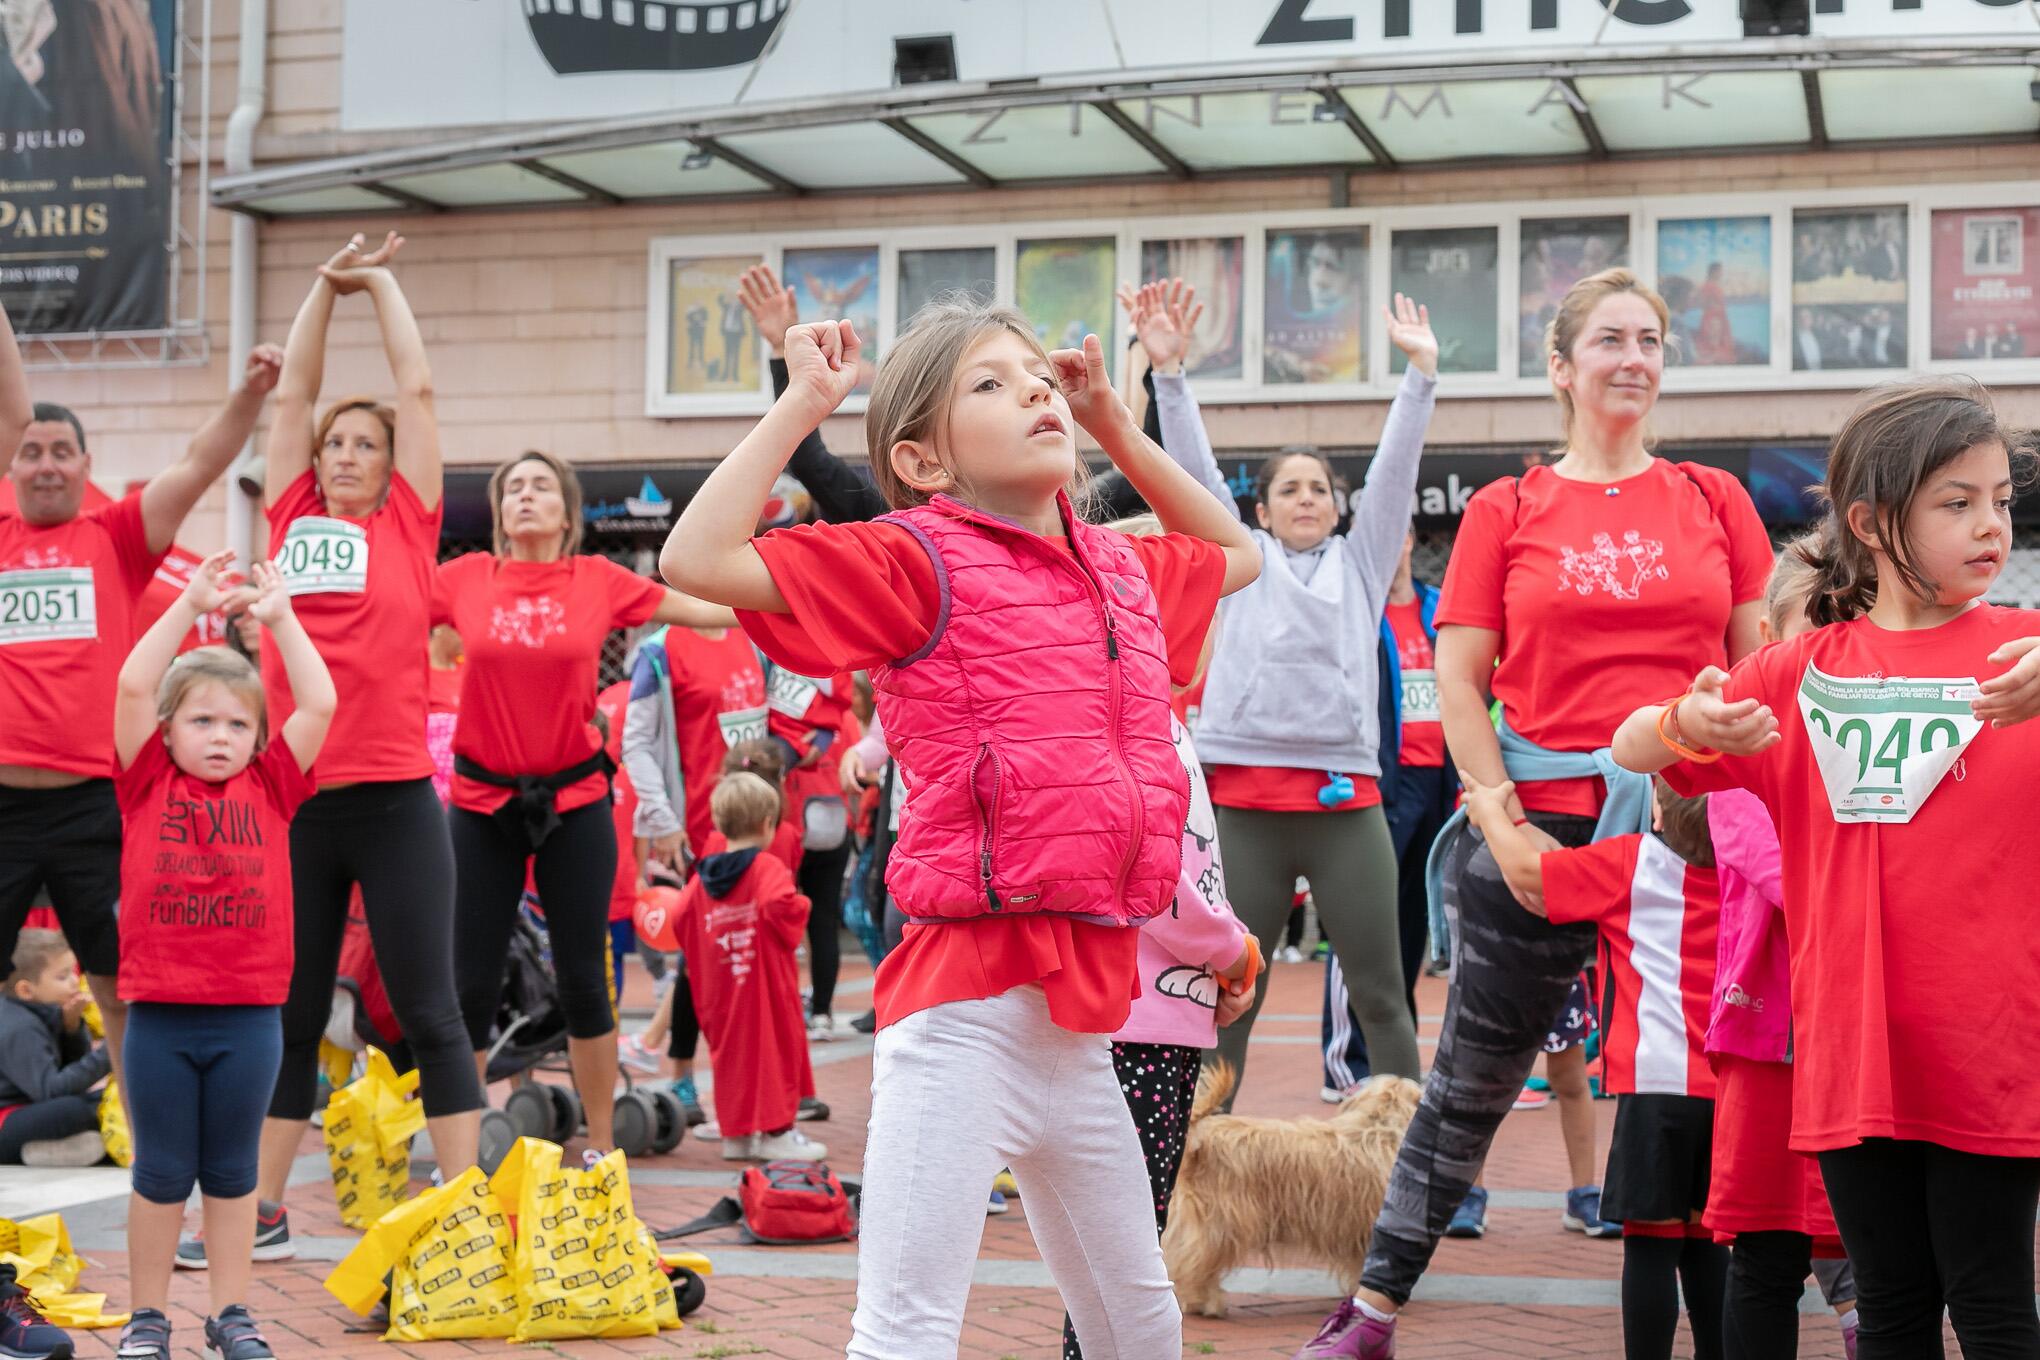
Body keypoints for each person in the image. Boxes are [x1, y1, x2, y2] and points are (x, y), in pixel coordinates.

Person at [660, 300, 1258, 1359]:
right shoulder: (910, 560)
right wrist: (803, 404)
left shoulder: (1121, 568)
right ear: (922, 461)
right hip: (961, 1015)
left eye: (1037, 374)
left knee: (1142, 1327)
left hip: (1083, 1021)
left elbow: (1236, 550)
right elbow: (695, 557)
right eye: (991, 382)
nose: (1034, 388)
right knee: (906, 1334)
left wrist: (1114, 419)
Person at [1296, 267, 1772, 1360]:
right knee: (1466, 1085)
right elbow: (1460, 681)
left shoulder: (1714, 499)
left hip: (1693, 842)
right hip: (1538, 832)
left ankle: (1844, 1305)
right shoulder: (1509, 509)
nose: (1636, 357)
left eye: (1651, 339)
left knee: (1740, 1074)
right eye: (1609, 339)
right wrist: (1497, 818)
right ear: (1561, 369)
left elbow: (1759, 668)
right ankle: (1371, 1312)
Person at [1612, 377, 2040, 1360]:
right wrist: (1687, 721)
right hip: (1850, 1057)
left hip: (1992, 1053)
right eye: (1957, 501)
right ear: (1871, 521)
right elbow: (1630, 744)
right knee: (1888, 1310)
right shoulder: (1800, 672)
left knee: (1996, 1310)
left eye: (2001, 501)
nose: (1990, 525)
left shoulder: (2024, 653)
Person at [222, 232, 484, 1267]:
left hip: (394, 800)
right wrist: (321, 292)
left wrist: (376, 283)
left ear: (388, 465)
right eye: (336, 444)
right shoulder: (289, 510)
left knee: (429, 1006)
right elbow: (291, 399)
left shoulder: (410, 526)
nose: (343, 454)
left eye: (362, 446)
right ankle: (265, 1206)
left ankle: (462, 1206)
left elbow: (416, 393)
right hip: (294, 798)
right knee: (288, 1011)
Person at [1135, 276, 1437, 1099]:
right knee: (1231, 996)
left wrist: (1420, 377)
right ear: (1259, 512)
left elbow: (1396, 468)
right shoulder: (1241, 559)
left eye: (1320, 489)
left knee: (1383, 993)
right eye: (1288, 489)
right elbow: (1191, 472)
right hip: (1244, 804)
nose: (1307, 498)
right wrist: (1169, 376)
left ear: (1341, 510)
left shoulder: (1364, 563)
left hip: (1347, 806)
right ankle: (1192, 1168)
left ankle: (1403, 1172)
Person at [0, 307, 281, 1115]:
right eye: (31, 452)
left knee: (120, 983)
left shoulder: (116, 535)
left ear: (87, 463)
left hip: (97, 801)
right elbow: (9, 407)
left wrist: (250, 395)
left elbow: (199, 462)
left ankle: (142, 1139)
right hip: (3, 804)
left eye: (62, 451)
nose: (46, 464)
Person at [435, 449, 732, 1152]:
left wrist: (798, 596)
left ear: (568, 512)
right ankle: (465, 1147)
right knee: (471, 984)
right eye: (514, 487)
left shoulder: (597, 580)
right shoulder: (464, 578)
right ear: (501, 511)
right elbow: (377, 613)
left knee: (585, 981)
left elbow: (706, 606)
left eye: (541, 486)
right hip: (481, 804)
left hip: (574, 803)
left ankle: (601, 1147)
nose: (526, 496)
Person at [113, 552, 333, 1360]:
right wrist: (188, 605)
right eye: (201, 720)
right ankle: (147, 1320)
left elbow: (321, 699)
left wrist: (280, 619)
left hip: (249, 1017)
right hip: (161, 1016)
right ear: (167, 729)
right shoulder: (144, 782)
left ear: (259, 738)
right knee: (162, 1171)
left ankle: (232, 1313)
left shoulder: (274, 786)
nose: (219, 736)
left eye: (238, 723)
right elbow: (135, 685)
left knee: (234, 1174)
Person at [1060, 511, 1257, 1360]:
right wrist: (1234, 951)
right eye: (1200, 607)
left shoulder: (1128, 716)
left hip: (1127, 1011)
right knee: (1125, 1260)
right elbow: (1169, 881)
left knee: (1105, 1256)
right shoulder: (1149, 727)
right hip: (1142, 1020)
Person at [1461, 770, 1729, 1360]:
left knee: (1651, 1248)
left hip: (1654, 1086)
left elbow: (1530, 875)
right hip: (1729, 1091)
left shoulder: (1629, 863)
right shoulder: (1746, 873)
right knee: (1709, 1246)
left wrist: (1490, 813)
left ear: (1656, 811)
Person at [1697, 537, 1860, 1360]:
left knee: (1887, 1256)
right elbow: (1788, 873)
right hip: (1775, 1044)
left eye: (1850, 624)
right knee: (1766, 1258)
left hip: (1862, 1032)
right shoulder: (1741, 748)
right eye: (1812, 627)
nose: (1828, 649)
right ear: (1767, 634)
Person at [671, 771, 823, 1163]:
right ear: (767, 823)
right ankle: (776, 1132)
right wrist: (804, 908)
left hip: (721, 986)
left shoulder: (702, 877)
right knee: (775, 1052)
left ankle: (736, 1136)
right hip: (765, 984)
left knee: (730, 1058)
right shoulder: (766, 868)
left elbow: (681, 917)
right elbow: (781, 906)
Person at [0, 928, 108, 1166]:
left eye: (73, 972)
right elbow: (51, 1090)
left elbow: (71, 1068)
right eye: (62, 976)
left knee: (106, 1098)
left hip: (29, 1108)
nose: (74, 982)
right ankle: (32, 1152)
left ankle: (51, 1151)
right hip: (7, 1120)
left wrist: (71, 1029)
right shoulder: (18, 1026)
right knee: (77, 1109)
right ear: (26, 990)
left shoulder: (43, 1009)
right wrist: (109, 1053)